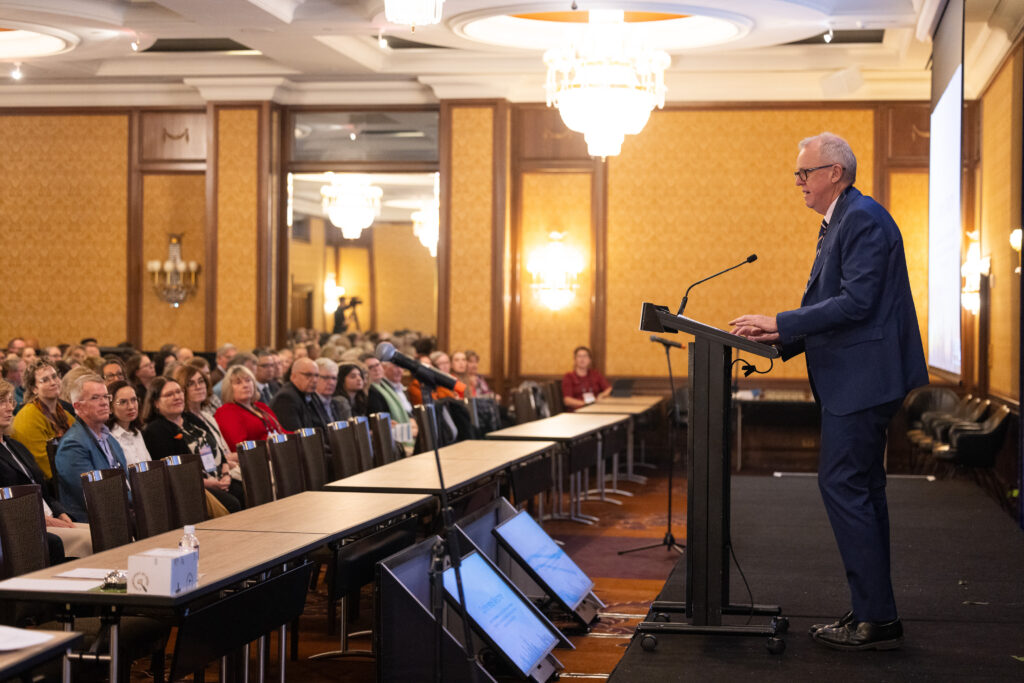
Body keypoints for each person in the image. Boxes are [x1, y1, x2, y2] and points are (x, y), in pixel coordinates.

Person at [730, 132, 928, 652]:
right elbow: (841, 306)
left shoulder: (861, 219)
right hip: (863, 379)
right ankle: (875, 611)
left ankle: (875, 616)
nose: (798, 182)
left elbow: (857, 303)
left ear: (834, 173)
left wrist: (781, 321)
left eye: (804, 172)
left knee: (843, 486)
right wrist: (782, 338)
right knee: (862, 490)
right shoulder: (846, 219)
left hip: (862, 381)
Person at [0, 380, 92, 558]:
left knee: (106, 532)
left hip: (48, 517)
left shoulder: (16, 446)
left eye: (10, 401)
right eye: (2, 402)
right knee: (90, 539)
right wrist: (42, 519)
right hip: (24, 526)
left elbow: (43, 490)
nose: (9, 408)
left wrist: (60, 512)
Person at [141, 377, 242, 512]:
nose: (177, 397)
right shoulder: (155, 430)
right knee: (232, 503)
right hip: (194, 487)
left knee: (248, 489)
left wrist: (226, 475)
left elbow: (217, 449)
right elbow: (174, 473)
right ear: (156, 403)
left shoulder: (191, 418)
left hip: (219, 477)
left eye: (179, 392)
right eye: (169, 394)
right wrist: (209, 483)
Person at [54, 373, 127, 522]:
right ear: (78, 407)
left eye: (105, 397)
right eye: (95, 398)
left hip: (120, 511)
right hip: (94, 521)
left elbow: (126, 481)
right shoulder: (72, 445)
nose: (104, 403)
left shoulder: (110, 438)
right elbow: (94, 495)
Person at [174, 364, 239, 482]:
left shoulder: (208, 417)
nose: (198, 387)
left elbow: (224, 450)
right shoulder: (183, 422)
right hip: (209, 477)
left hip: (225, 469)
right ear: (182, 390)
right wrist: (227, 464)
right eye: (191, 384)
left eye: (201, 381)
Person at [11, 360, 76, 478]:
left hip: (71, 474)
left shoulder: (65, 414)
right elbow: (45, 466)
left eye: (54, 376)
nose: (53, 382)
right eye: (45, 380)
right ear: (34, 388)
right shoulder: (28, 417)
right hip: (51, 482)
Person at [214, 365, 287, 453]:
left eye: (248, 380)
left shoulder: (261, 406)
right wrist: (267, 446)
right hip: (257, 457)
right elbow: (239, 446)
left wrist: (298, 436)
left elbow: (282, 431)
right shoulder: (226, 412)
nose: (245, 385)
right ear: (229, 388)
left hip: (279, 451)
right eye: (238, 383)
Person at [270, 357, 329, 434]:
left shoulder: (313, 395)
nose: (314, 380)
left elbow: (325, 426)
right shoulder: (286, 398)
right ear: (293, 376)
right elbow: (295, 435)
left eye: (316, 375)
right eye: (308, 375)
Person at [106, 380, 151, 467]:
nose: (131, 406)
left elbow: (149, 466)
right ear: (110, 407)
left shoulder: (137, 433)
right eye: (123, 402)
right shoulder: (109, 437)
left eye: (134, 400)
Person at [561, 346, 611, 411]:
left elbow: (609, 389)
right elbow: (567, 401)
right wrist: (587, 404)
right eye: (579, 356)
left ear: (590, 360)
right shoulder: (569, 377)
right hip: (577, 411)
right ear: (575, 359)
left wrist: (602, 395)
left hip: (596, 409)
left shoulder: (595, 374)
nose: (582, 359)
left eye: (585, 356)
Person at [314, 357, 351, 423]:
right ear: (315, 378)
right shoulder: (309, 404)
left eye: (334, 378)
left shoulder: (336, 404)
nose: (331, 382)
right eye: (326, 378)